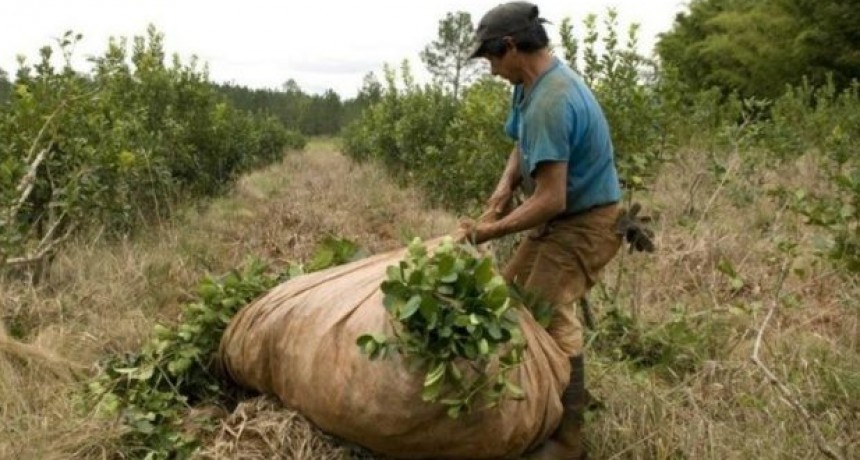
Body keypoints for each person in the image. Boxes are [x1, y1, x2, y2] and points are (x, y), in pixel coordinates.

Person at [456, 2, 637, 459]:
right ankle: (545, 401)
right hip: (561, 218)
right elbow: (521, 146)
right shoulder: (528, 85)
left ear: (513, 48)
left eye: (492, 58)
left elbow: (551, 198)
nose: (491, 69)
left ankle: (566, 437)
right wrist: (500, 196)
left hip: (586, 221)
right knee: (508, 293)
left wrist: (486, 234)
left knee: (542, 311)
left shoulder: (553, 102)